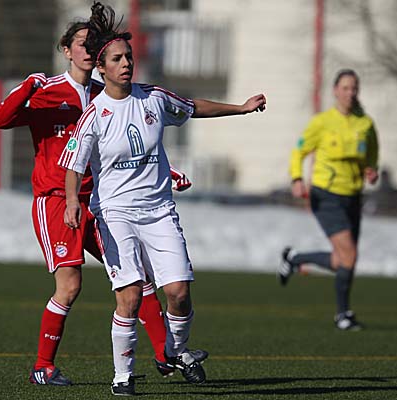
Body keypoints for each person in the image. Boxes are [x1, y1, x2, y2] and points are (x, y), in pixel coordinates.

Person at [60, 2, 266, 395]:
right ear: (101, 67)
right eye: (117, 59)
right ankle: (122, 376)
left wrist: (239, 109)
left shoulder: (153, 98)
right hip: (116, 215)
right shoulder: (94, 114)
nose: (126, 63)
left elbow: (192, 107)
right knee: (131, 296)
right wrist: (72, 201)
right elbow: (73, 163)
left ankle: (174, 349)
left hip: (159, 212)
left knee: (179, 293)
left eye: (129, 57)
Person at [0, 20, 195, 386]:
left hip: (101, 202)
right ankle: (43, 366)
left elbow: (129, 148)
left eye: (93, 45)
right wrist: (28, 85)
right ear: (66, 50)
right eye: (81, 44)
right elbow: (2, 119)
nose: (88, 50)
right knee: (70, 286)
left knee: (137, 279)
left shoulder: (108, 94)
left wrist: (168, 171)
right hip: (58, 200)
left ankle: (166, 354)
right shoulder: (47, 91)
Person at [278, 69, 379, 331]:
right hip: (326, 195)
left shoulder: (365, 124)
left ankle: (295, 258)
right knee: (349, 255)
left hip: (353, 196)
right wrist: (297, 178)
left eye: (354, 88)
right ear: (335, 91)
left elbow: (372, 153)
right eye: (345, 88)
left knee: (343, 259)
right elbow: (299, 151)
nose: (350, 93)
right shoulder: (322, 122)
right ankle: (343, 315)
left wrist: (371, 169)